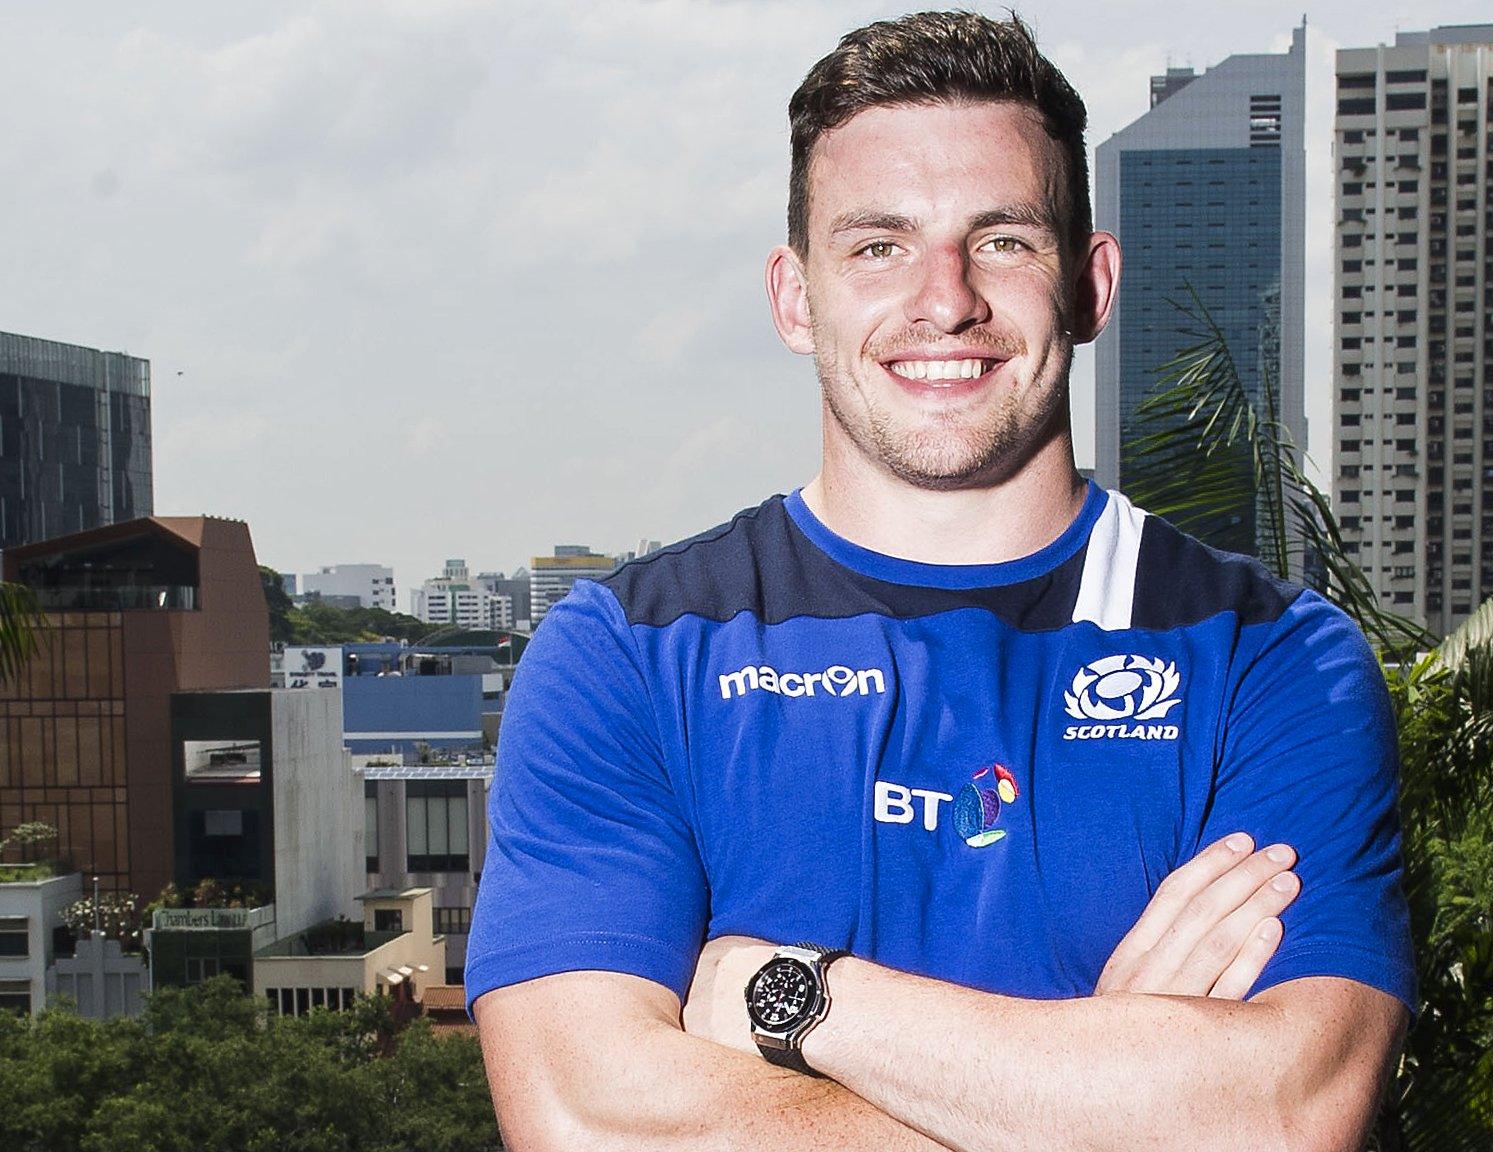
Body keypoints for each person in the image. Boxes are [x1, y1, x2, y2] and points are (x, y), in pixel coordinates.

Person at [467, 11, 1413, 1150]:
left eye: (1004, 239)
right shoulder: (631, 652)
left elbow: (1281, 1116)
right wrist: (1105, 1099)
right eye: (876, 245)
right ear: (794, 296)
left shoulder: (1265, 660)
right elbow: (588, 1122)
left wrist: (796, 1001)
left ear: (1090, 285)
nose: (945, 298)